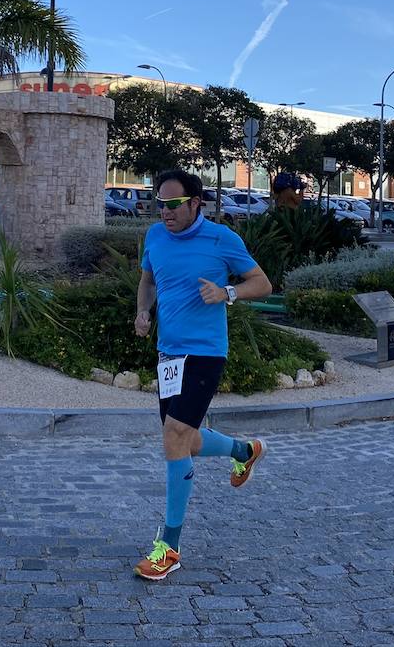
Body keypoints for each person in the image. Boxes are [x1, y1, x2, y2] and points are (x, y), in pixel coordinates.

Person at [133, 169, 274, 581]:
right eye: (160, 203)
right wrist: (143, 311)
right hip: (169, 355)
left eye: (174, 205)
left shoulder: (222, 239)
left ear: (197, 203)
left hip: (206, 352)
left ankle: (169, 546)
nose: (165, 212)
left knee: (174, 436)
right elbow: (147, 281)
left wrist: (227, 293)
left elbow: (262, 283)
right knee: (186, 439)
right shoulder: (155, 238)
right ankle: (243, 451)